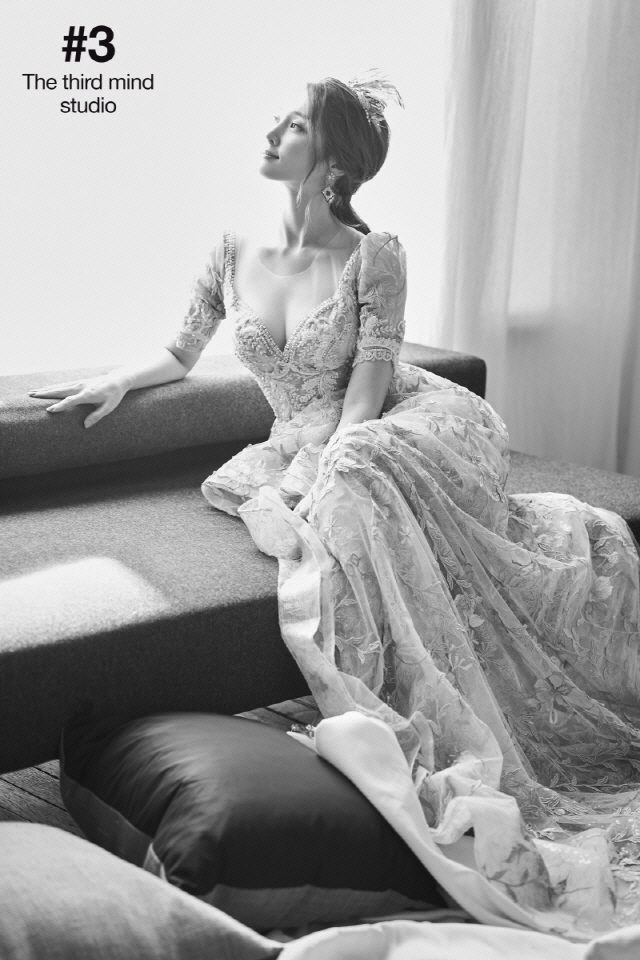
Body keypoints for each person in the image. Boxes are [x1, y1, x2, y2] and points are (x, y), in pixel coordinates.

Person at [30, 71, 640, 938]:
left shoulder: (374, 253)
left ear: (333, 163)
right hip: (301, 436)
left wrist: (322, 469)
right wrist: (116, 383)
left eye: (293, 124)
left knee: (352, 469)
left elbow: (367, 391)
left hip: (397, 420)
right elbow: (183, 349)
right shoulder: (231, 248)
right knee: (337, 479)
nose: (272, 131)